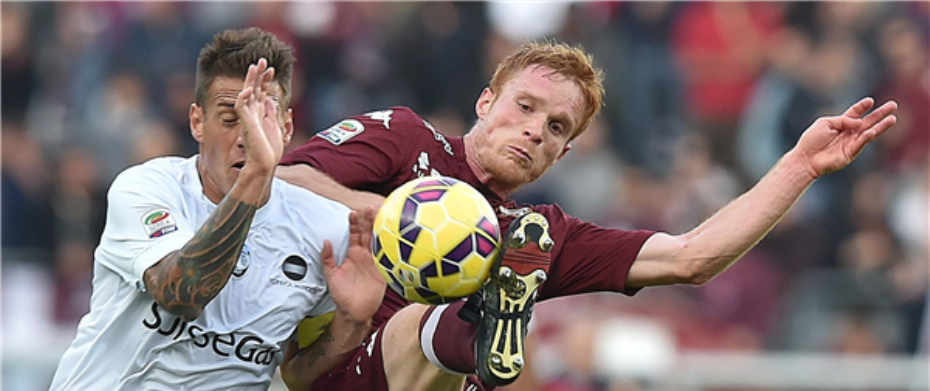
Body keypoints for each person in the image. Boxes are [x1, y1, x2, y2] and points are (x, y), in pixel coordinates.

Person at [275, 42, 898, 391]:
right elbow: (285, 178)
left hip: (427, 376)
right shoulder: (407, 139)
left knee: (499, 262)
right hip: (326, 368)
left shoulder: (537, 232)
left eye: (555, 128)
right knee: (421, 322)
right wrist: (396, 213)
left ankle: (489, 318)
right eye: (523, 106)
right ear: (486, 100)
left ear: (563, 154)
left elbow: (691, 257)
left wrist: (799, 167)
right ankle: (483, 316)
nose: (533, 132)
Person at [48, 27, 384, 391]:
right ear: (197, 122)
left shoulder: (326, 231)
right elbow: (181, 294)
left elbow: (296, 374)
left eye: (263, 119)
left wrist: (352, 323)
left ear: (287, 128)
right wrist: (257, 172)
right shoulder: (147, 188)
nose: (246, 137)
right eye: (230, 119)